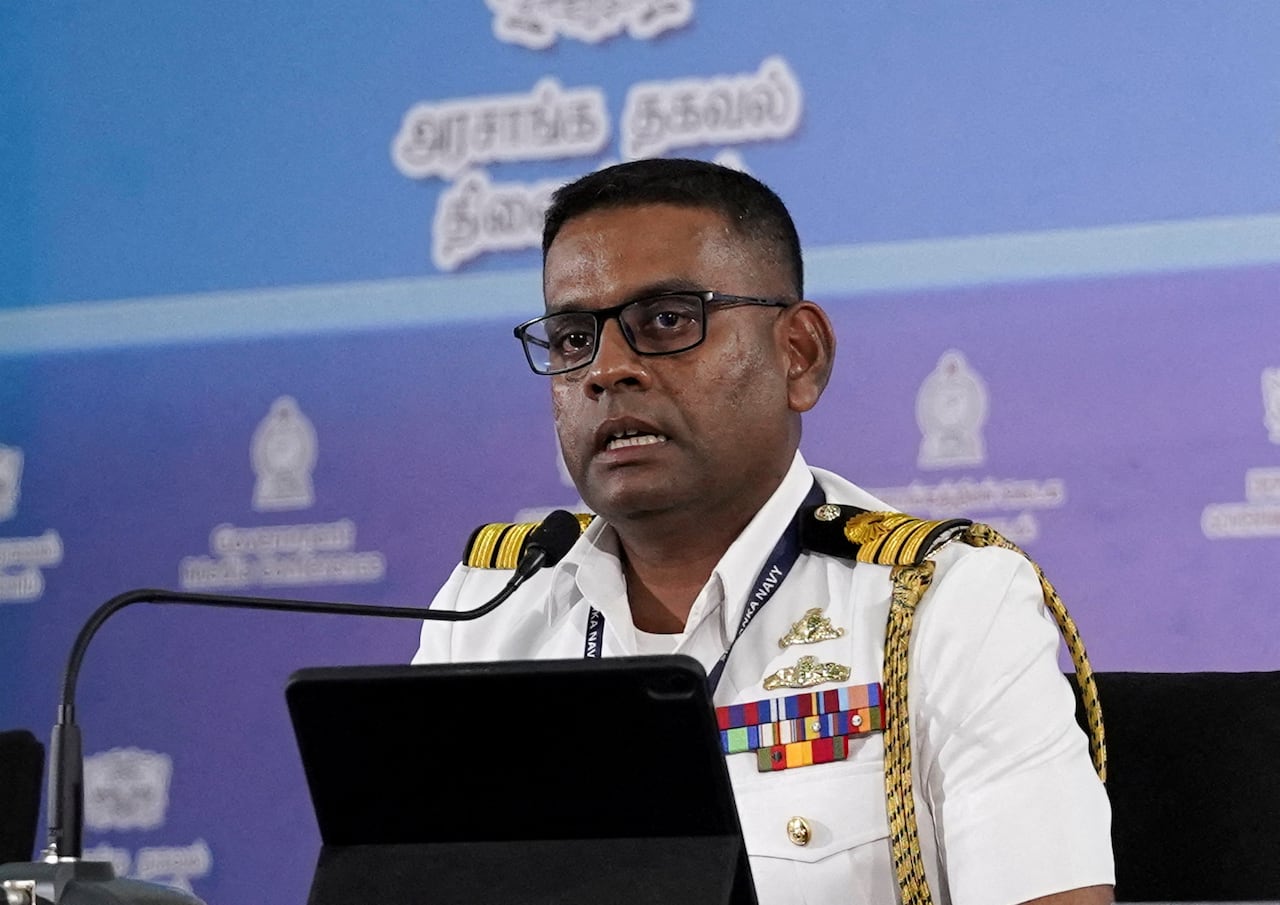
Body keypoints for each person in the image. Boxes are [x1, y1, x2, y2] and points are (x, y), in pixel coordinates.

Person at [413, 157, 1114, 905]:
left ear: (799, 355)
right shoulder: (483, 610)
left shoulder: (941, 601)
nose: (605, 369)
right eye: (573, 337)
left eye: (667, 321)